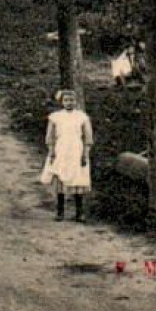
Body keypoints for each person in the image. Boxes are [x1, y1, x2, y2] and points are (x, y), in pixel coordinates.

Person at [40, 88, 93, 222]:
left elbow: (88, 138)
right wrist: (52, 151)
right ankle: (60, 212)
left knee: (78, 179)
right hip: (61, 150)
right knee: (60, 179)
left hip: (76, 150)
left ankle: (79, 213)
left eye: (72, 100)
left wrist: (85, 153)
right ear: (61, 102)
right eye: (66, 100)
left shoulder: (82, 117)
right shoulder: (56, 117)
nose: (69, 103)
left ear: (76, 101)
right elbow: (50, 137)